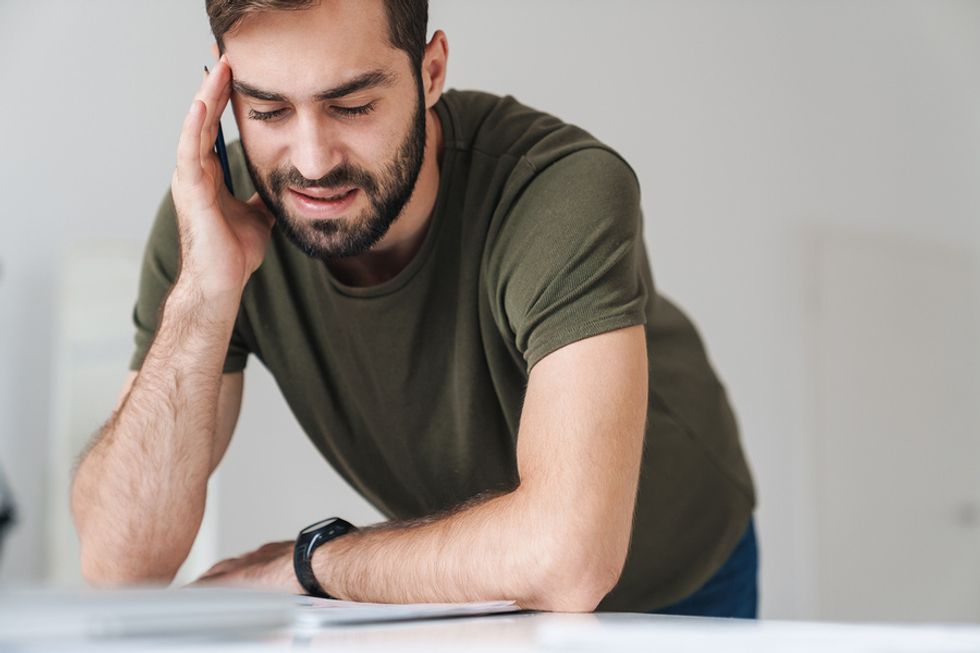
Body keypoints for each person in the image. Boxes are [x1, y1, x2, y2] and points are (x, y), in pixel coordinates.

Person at [71, 0, 757, 615]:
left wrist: (310, 563)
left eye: (353, 105)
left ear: (431, 72)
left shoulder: (558, 189)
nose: (311, 162)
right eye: (269, 109)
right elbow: (118, 565)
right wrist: (204, 293)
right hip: (473, 583)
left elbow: (567, 557)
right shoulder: (213, 223)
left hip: (676, 573)